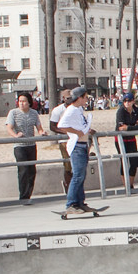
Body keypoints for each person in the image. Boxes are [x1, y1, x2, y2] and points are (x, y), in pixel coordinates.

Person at [53, 86, 98, 215]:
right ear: (79, 98)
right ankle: (71, 203)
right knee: (77, 176)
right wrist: (76, 132)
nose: (86, 100)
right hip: (77, 146)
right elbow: (61, 125)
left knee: (81, 176)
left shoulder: (78, 110)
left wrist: (85, 130)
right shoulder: (71, 110)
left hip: (83, 145)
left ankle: (80, 202)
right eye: (85, 97)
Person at [5, 92, 46, 202]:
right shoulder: (13, 113)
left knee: (32, 170)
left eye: (24, 101)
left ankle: (28, 195)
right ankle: (23, 196)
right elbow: (9, 127)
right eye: (20, 101)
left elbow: (39, 127)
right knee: (23, 170)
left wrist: (42, 132)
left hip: (31, 145)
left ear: (29, 102)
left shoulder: (34, 113)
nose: (21, 103)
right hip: (19, 146)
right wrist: (15, 135)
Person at [114, 90, 138, 188]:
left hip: (131, 138)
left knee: (134, 161)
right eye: (125, 101)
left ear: (133, 101)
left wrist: (129, 128)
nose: (127, 103)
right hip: (121, 138)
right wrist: (133, 127)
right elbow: (121, 127)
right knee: (124, 161)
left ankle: (130, 183)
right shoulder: (121, 111)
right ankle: (126, 185)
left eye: (129, 100)